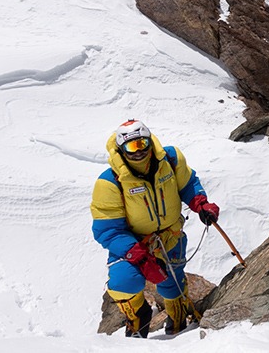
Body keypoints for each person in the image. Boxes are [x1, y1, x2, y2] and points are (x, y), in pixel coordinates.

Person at [90, 119, 220, 338]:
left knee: (172, 280)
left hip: (170, 234)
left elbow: (188, 184)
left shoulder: (170, 159)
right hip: (135, 243)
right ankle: (137, 316)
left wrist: (200, 202)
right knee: (124, 282)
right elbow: (108, 229)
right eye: (132, 147)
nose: (139, 152)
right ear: (121, 150)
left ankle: (177, 319)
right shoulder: (110, 182)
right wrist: (139, 257)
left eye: (142, 144)